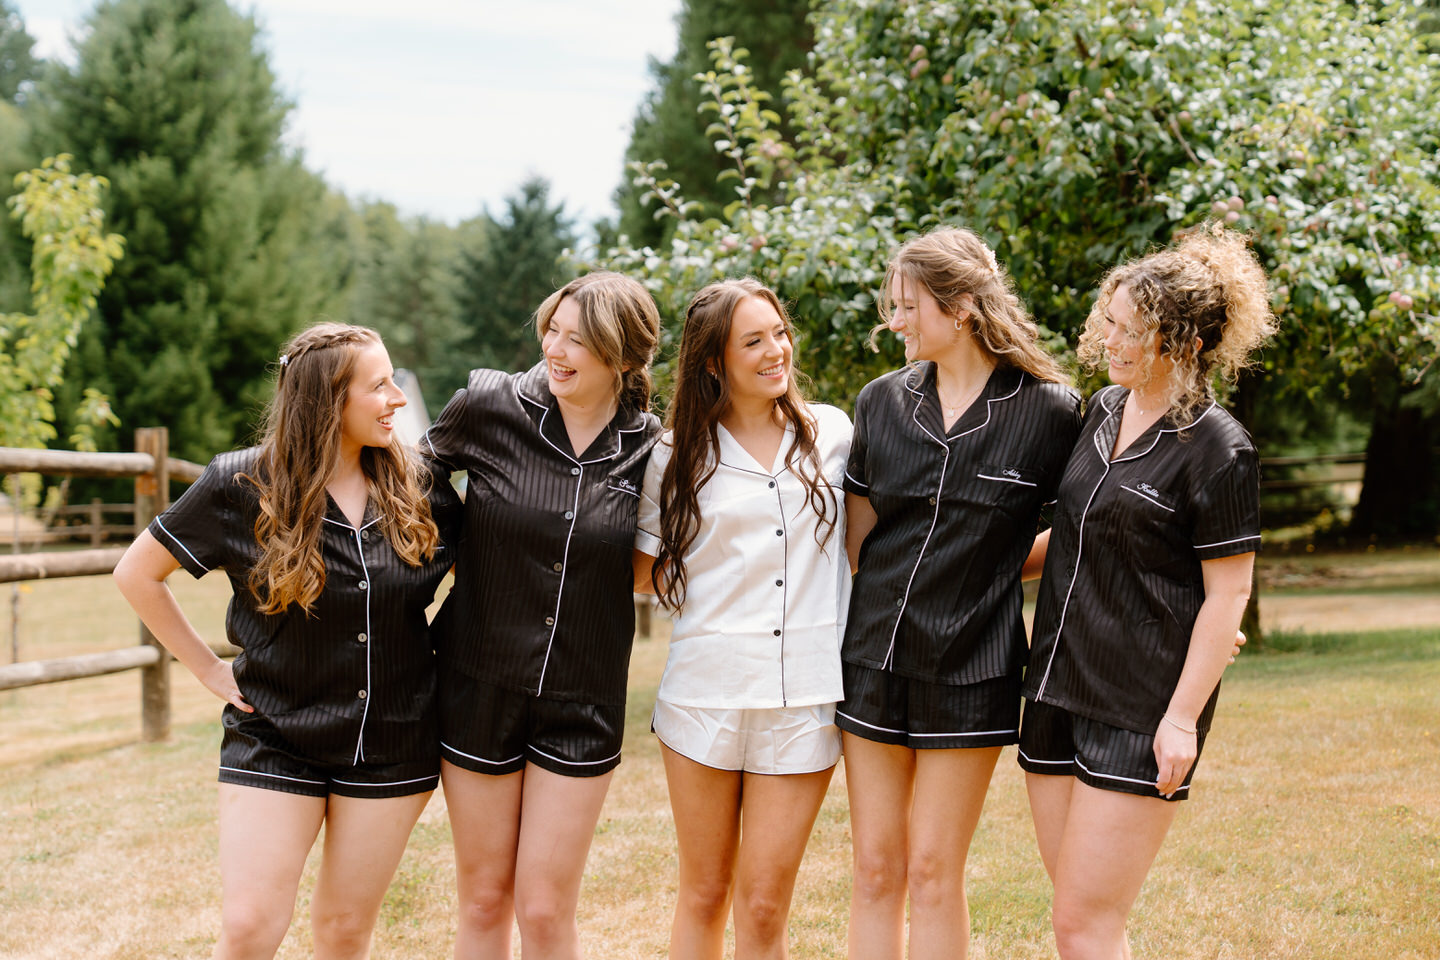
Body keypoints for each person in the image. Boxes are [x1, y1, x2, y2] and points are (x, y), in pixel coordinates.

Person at [113, 322, 461, 960]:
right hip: (273, 735)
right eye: (379, 385)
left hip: (393, 738)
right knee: (248, 930)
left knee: (342, 933)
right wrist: (209, 672)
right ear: (329, 400)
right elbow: (137, 573)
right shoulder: (238, 483)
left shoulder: (422, 484)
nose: (398, 399)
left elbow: (481, 585)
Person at [1017, 224, 1276, 958]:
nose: (1111, 342)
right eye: (1111, 323)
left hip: (1140, 707)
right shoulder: (1098, 411)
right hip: (1054, 690)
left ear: (1185, 344)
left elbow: (1228, 597)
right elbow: (1074, 534)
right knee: (1080, 917)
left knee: (1084, 923)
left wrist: (1183, 722)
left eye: (1133, 332)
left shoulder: (1220, 450)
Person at [839, 227, 1082, 959]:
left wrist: (996, 568)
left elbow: (1078, 535)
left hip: (974, 669)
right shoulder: (880, 402)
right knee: (876, 868)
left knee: (934, 869)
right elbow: (859, 538)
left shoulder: (1051, 412)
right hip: (872, 663)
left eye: (908, 306)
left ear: (964, 307)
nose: (895, 321)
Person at [422, 272, 662, 960]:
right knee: (483, 897)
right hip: (478, 682)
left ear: (622, 357)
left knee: (547, 908)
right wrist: (459, 543)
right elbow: (414, 475)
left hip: (583, 700)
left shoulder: (653, 448)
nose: (555, 350)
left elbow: (663, 552)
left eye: (577, 340)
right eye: (551, 331)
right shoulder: (489, 403)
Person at [631, 278, 852, 960]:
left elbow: (870, 545)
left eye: (779, 333)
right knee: (704, 893)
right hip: (704, 694)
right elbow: (643, 570)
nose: (776, 350)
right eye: (752, 341)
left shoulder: (835, 433)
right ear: (712, 362)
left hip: (804, 697)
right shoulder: (674, 453)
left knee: (763, 905)